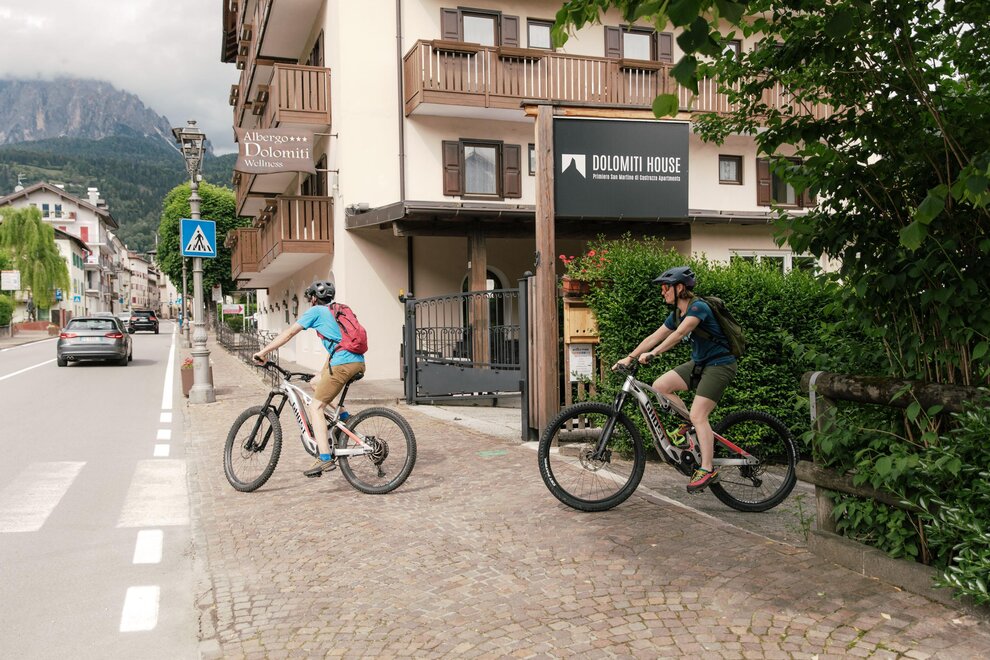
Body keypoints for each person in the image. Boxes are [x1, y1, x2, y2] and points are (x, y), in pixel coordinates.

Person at [613, 266, 738, 493]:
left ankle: (707, 468)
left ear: (679, 287)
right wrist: (629, 357)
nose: (662, 292)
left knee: (699, 414)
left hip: (720, 365)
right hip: (700, 364)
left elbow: (679, 335)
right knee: (661, 386)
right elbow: (654, 336)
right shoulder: (677, 314)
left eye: (665, 287)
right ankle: (690, 428)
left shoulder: (698, 307)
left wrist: (653, 353)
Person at [253, 280, 366, 477]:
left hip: (342, 363)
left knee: (316, 408)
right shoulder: (338, 310)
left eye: (310, 298)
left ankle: (325, 458)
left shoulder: (316, 311)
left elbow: (289, 333)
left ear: (314, 298)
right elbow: (338, 346)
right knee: (315, 383)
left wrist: (263, 352)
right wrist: (322, 373)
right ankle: (346, 420)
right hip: (356, 361)